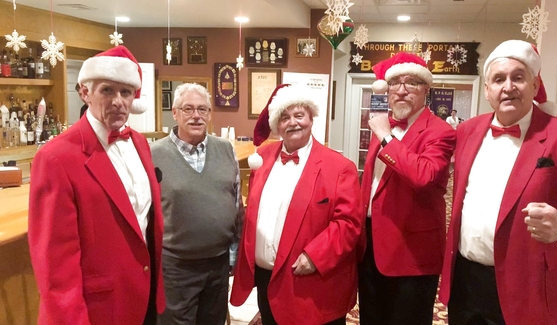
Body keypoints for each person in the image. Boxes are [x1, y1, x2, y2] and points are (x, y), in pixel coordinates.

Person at [439, 40, 557, 325]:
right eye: (498, 79)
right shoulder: (468, 130)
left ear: (534, 83)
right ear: (488, 90)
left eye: (518, 77)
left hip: (530, 285)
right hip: (466, 280)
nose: (508, 87)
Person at [28, 45, 165, 325]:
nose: (118, 101)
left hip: (144, 297)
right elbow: (55, 269)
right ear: (85, 93)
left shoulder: (139, 143)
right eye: (107, 90)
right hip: (97, 310)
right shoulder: (55, 158)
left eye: (125, 92)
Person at [230, 84, 364, 325]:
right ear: (276, 125)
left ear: (311, 118)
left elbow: (349, 223)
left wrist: (315, 256)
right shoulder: (263, 157)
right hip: (266, 281)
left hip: (311, 285)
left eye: (299, 115)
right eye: (284, 117)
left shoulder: (340, 167)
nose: (292, 123)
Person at [358, 52, 456, 325]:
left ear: (426, 89)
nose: (401, 90)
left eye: (411, 82)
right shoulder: (385, 126)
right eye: (395, 83)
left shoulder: (440, 131)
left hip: (412, 251)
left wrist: (387, 138)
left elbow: (424, 176)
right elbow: (373, 183)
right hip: (371, 246)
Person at [151, 83, 244, 325]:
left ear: (210, 114)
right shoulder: (153, 154)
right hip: (176, 267)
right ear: (175, 112)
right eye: (188, 109)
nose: (196, 116)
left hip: (218, 264)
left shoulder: (225, 150)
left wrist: (234, 253)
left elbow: (236, 204)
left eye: (202, 110)